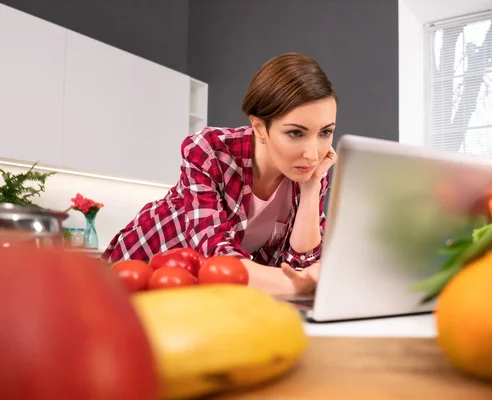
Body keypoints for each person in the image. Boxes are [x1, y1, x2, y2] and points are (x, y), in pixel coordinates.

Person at [102, 52, 337, 296]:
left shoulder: (309, 171)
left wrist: (312, 186)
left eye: (325, 132)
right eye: (296, 133)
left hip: (199, 292)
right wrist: (295, 284)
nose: (312, 153)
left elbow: (299, 266)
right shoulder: (210, 150)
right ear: (259, 128)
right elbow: (216, 253)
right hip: (139, 268)